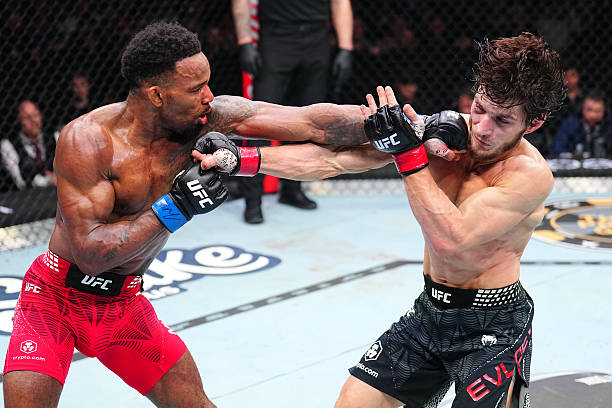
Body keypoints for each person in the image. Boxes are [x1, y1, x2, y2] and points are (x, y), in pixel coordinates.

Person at [3, 20, 380, 407]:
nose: (209, 96)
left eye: (207, 83)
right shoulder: (89, 140)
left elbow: (309, 122)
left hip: (123, 304)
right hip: (54, 302)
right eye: (195, 88)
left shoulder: (208, 118)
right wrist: (177, 206)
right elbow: (90, 254)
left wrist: (389, 123)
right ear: (157, 95)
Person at [194, 32, 565, 407]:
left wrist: (407, 154)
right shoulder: (446, 131)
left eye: (502, 120)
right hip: (431, 312)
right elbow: (333, 158)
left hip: (495, 327)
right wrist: (241, 160)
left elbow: (451, 239)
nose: (482, 128)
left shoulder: (528, 175)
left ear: (533, 124)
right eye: (480, 108)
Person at [231, 0, 354, 223]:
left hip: (316, 39)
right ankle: (252, 198)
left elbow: (340, 3)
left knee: (309, 120)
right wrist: (245, 41)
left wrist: (346, 47)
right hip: (276, 38)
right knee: (260, 122)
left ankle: (292, 189)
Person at [0, 100, 56, 191]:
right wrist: (49, 180)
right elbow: (21, 183)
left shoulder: (51, 138)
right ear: (20, 122)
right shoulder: (8, 145)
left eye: (36, 115)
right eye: (28, 118)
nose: (34, 121)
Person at [549, 89, 612, 158]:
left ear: (604, 111)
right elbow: (556, 147)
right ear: (583, 109)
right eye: (589, 110)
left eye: (598, 111)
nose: (593, 115)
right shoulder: (572, 124)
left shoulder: (609, 125)